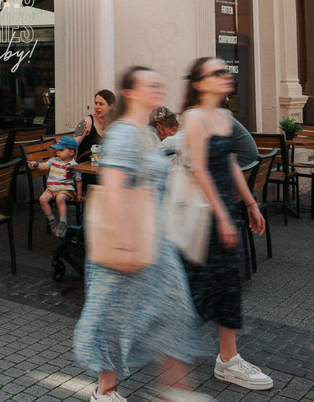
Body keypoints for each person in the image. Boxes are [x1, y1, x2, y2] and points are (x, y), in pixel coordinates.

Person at [74, 67, 211, 402]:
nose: (157, 89)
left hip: (152, 241)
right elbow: (113, 190)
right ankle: (107, 391)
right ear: (131, 93)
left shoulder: (144, 132)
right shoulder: (124, 133)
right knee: (113, 318)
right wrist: (124, 246)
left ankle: (173, 389)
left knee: (171, 312)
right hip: (130, 244)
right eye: (150, 85)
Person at [181, 57, 272, 392]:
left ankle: (228, 359)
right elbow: (200, 170)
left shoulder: (224, 116)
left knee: (229, 285)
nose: (225, 75)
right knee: (199, 290)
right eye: (216, 72)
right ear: (200, 83)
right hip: (205, 217)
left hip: (224, 214)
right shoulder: (194, 117)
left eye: (225, 70)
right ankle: (175, 364)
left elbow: (232, 165)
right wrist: (221, 217)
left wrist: (251, 204)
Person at [27, 134, 82, 238]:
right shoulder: (53, 160)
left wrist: (78, 194)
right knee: (42, 199)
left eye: (61, 150)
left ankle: (63, 222)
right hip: (51, 189)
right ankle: (52, 221)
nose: (58, 153)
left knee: (60, 198)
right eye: (57, 150)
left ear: (71, 152)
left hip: (66, 190)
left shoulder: (74, 166)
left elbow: (78, 180)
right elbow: (44, 167)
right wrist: (36, 164)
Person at [74, 89, 115, 161]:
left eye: (101, 104)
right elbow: (73, 144)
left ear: (111, 106)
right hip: (85, 166)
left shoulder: (114, 123)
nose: (97, 107)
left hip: (105, 165)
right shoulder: (87, 122)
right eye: (96, 103)